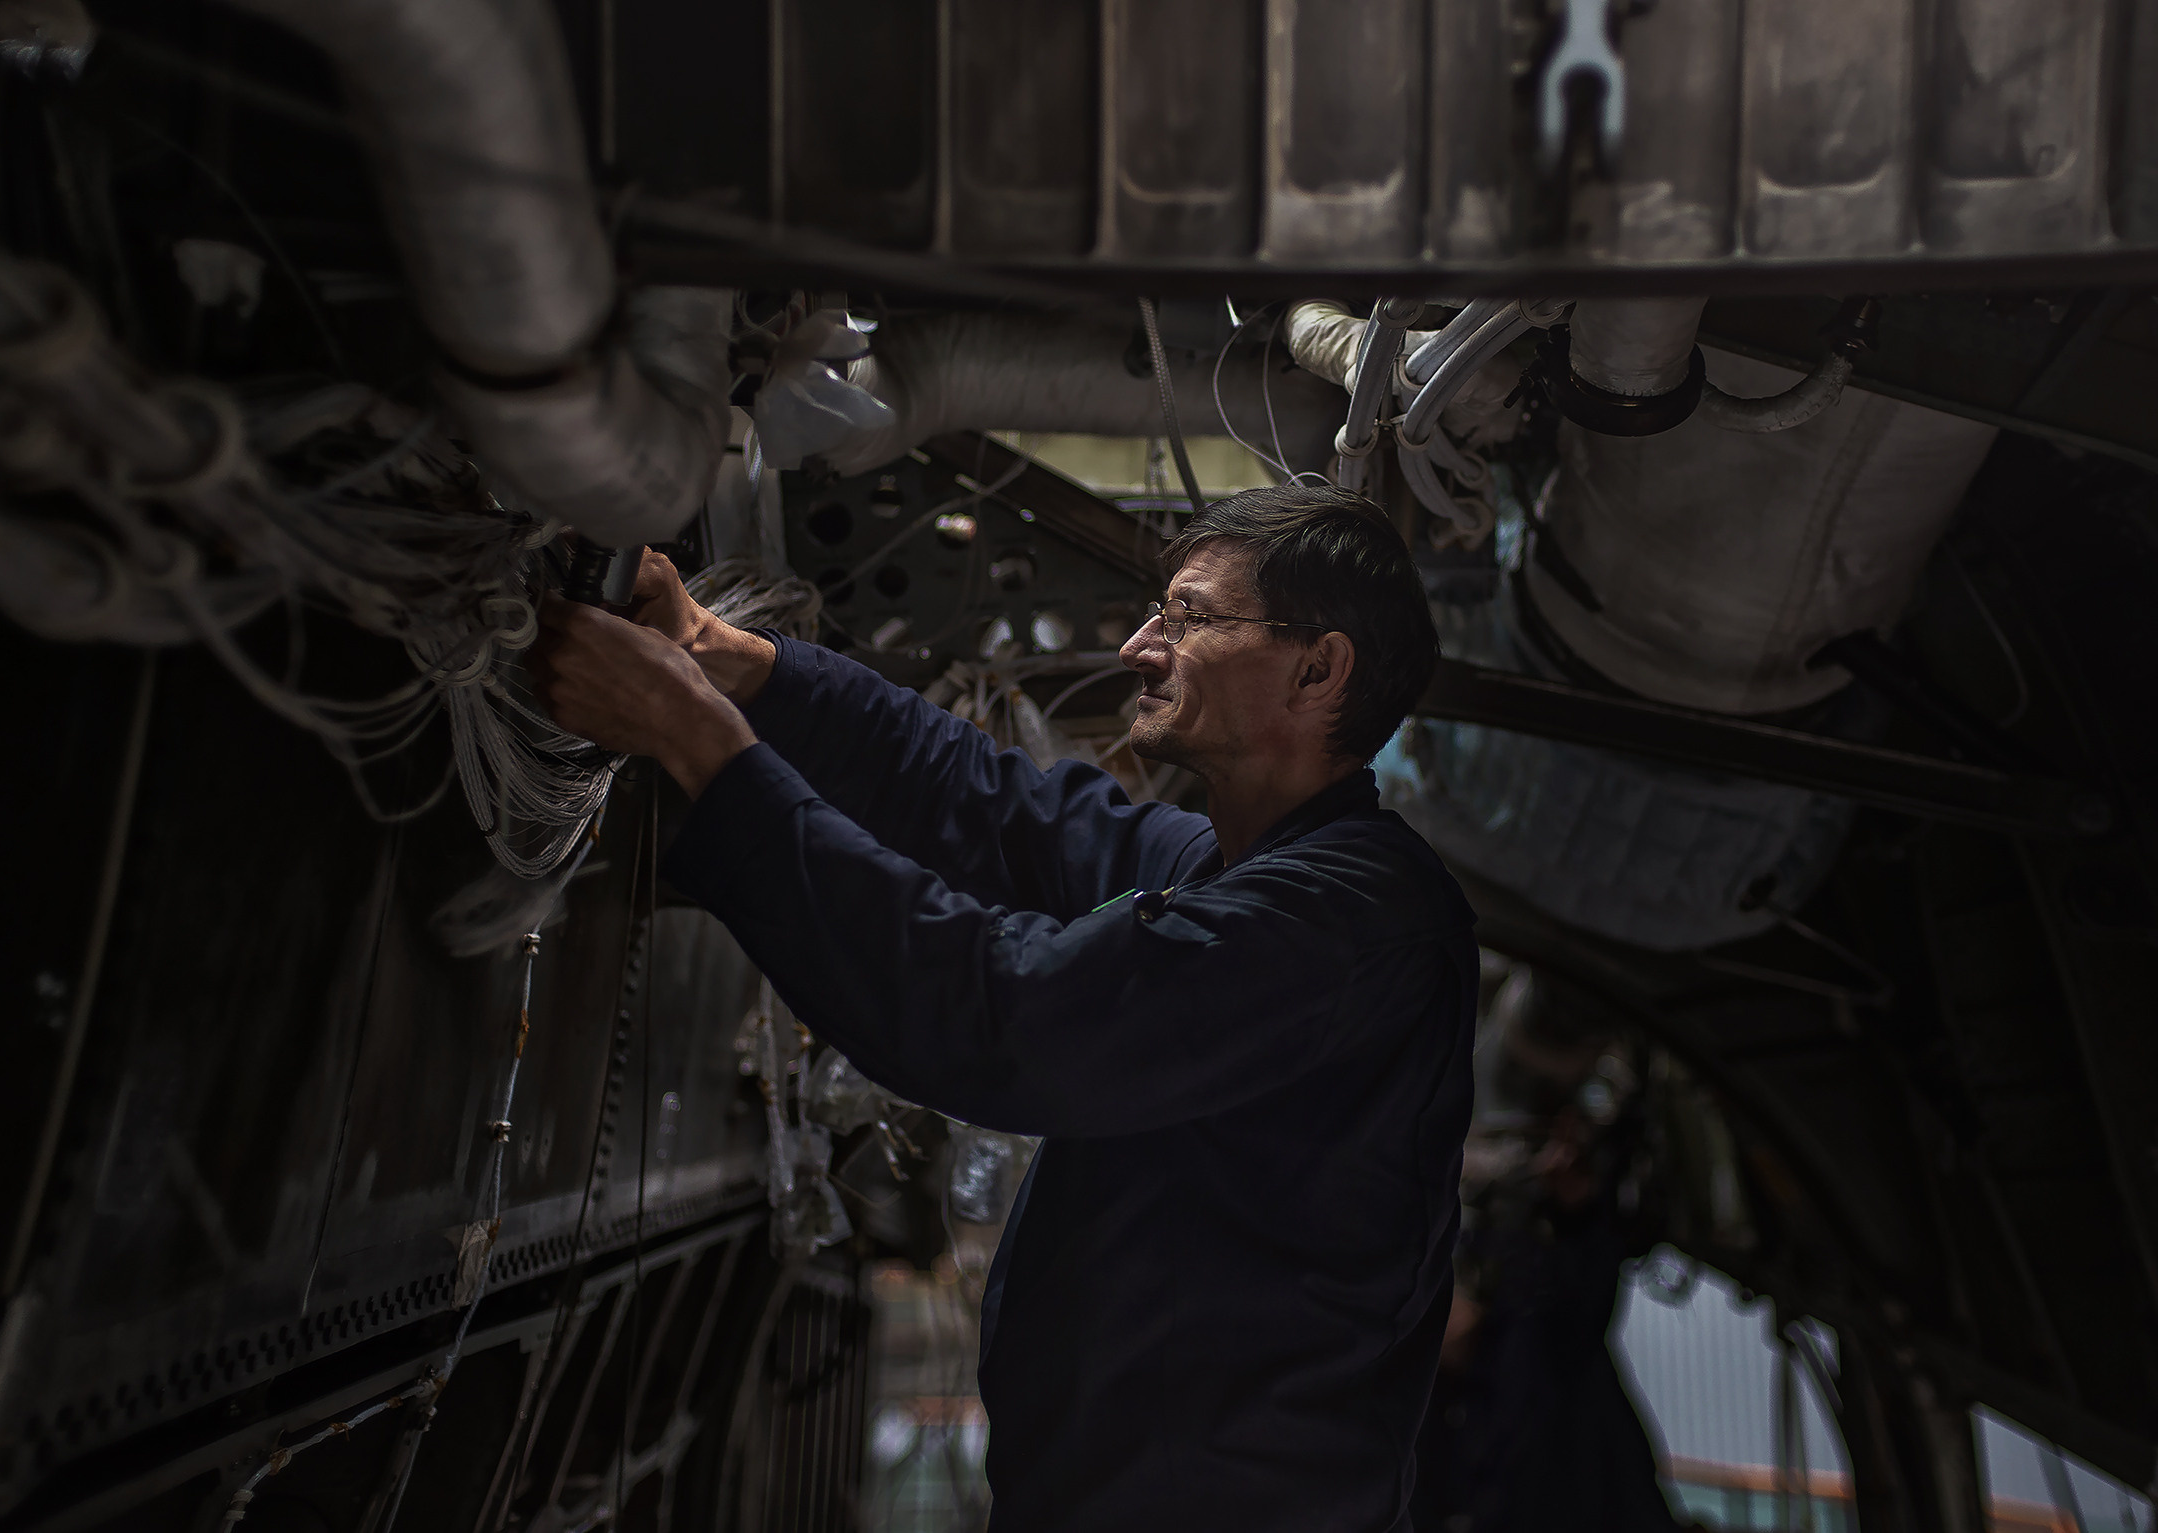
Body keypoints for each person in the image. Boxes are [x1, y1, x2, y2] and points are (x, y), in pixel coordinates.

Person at [529, 484, 1478, 1532]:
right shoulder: (1241, 869)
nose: (1139, 646)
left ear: (1318, 667)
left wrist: (697, 741)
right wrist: (733, 660)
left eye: (1191, 615)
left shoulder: (1346, 919)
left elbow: (1006, 1015)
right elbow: (990, 805)